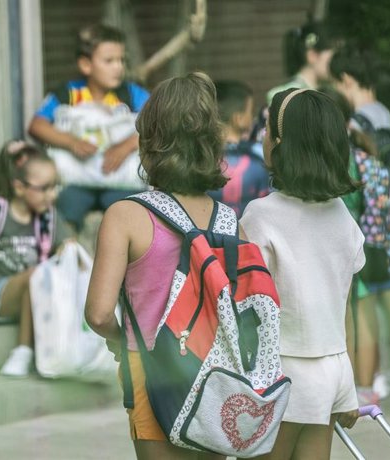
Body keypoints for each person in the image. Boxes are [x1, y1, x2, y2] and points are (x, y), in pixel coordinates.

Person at [84, 73, 229, 460]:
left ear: (149, 142)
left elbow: (98, 314)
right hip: (219, 376)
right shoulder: (231, 221)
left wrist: (120, 342)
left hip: (151, 372)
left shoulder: (126, 216)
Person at [241, 88, 363, 459]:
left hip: (279, 374)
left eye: (266, 130)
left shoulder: (261, 215)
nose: (262, 137)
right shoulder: (341, 214)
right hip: (332, 369)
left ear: (281, 144)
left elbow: (245, 306)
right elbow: (346, 308)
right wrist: (350, 383)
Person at [328, 63, 390, 403]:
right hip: (385, 245)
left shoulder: (329, 165)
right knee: (388, 303)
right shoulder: (367, 158)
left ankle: (364, 383)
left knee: (356, 315)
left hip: (350, 253)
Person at [0, 141, 73, 377]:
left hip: (31, 295)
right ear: (19, 188)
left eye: (55, 187)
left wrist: (67, 248)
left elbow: (70, 246)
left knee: (43, 275)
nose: (51, 195)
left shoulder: (49, 218)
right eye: (44, 188)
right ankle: (23, 351)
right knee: (37, 274)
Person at [28, 23, 149, 231]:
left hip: (120, 184)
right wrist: (71, 142)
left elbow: (162, 123)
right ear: (85, 64)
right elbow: (37, 126)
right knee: (66, 213)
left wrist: (128, 145)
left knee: (126, 214)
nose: (118, 67)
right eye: (109, 61)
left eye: (121, 60)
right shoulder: (68, 94)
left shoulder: (131, 94)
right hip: (77, 183)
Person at [208, 80, 269, 217]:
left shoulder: (199, 157)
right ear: (238, 118)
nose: (253, 117)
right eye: (250, 111)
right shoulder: (258, 155)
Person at [266, 21, 342, 105]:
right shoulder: (285, 96)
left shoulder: (333, 91)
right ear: (312, 56)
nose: (336, 63)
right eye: (332, 58)